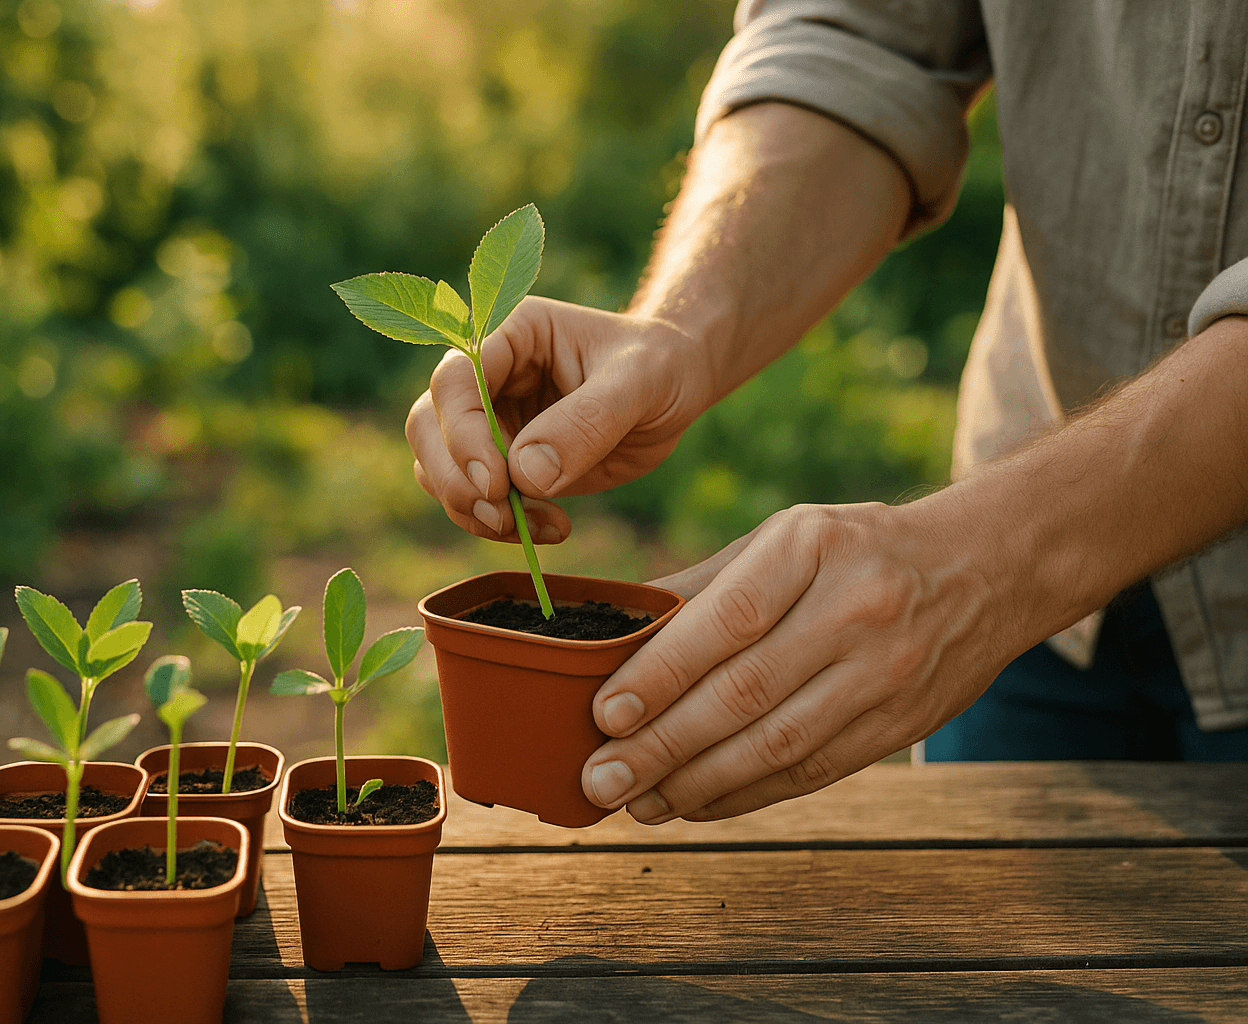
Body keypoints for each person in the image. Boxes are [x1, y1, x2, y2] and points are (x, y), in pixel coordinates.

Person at [405, 1, 1248, 825]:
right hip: (1033, 633)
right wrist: (682, 325)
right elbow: (861, 40)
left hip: (998, 572)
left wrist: (992, 565)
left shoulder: (973, 584)